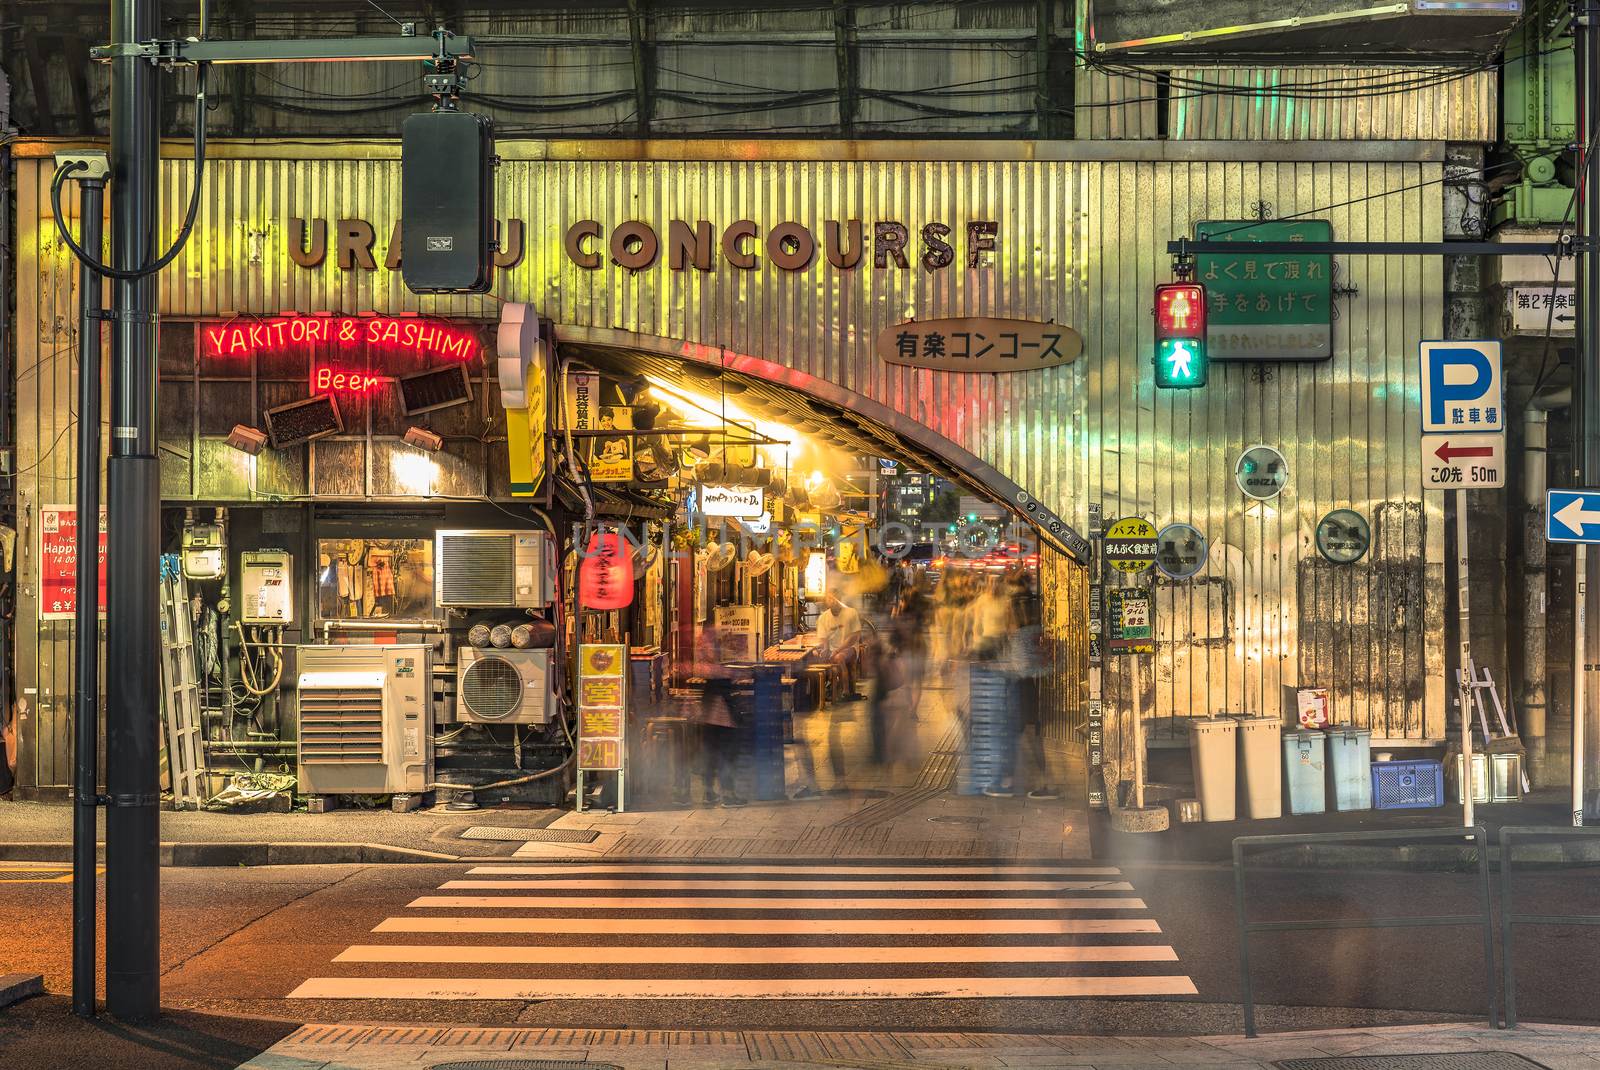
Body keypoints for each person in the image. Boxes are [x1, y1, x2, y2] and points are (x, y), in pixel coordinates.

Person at [689, 626, 745, 807]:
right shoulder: (706, 660)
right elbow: (703, 669)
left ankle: (709, 792)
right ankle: (727, 795)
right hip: (719, 710)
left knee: (712, 752)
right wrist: (728, 672)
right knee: (725, 752)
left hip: (712, 709)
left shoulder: (708, 655)